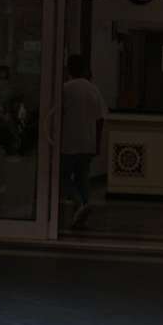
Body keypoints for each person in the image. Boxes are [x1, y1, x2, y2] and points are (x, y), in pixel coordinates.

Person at [57, 55, 105, 229]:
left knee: (62, 176)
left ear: (69, 69)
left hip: (69, 142)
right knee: (83, 176)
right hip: (88, 142)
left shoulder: (65, 89)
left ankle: (79, 203)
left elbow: (57, 114)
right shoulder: (93, 89)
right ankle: (85, 204)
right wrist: (97, 144)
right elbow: (100, 119)